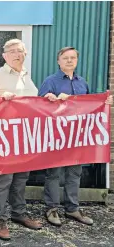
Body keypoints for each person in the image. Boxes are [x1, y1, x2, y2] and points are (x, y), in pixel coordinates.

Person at [39, 47, 113, 226]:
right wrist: (50, 98)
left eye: (73, 58)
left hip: (77, 136)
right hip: (56, 136)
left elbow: (89, 107)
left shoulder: (82, 83)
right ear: (59, 61)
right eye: (65, 58)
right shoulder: (50, 81)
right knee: (54, 174)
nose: (69, 61)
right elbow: (39, 106)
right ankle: (52, 208)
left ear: (77, 61)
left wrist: (104, 102)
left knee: (74, 173)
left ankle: (72, 209)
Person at [0, 39, 42, 240]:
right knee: (4, 179)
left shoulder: (26, 76)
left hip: (25, 137)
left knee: (21, 178)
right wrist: (0, 99)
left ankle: (18, 213)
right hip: (5, 137)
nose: (18, 54)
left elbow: (34, 103)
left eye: (21, 51)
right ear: (5, 56)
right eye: (13, 51)